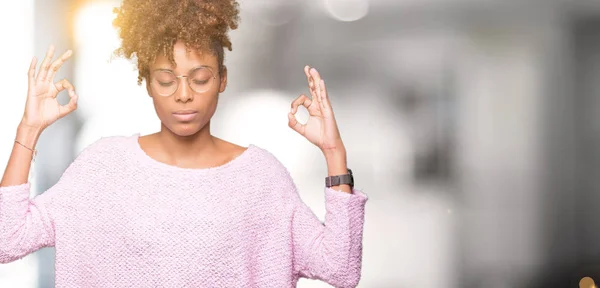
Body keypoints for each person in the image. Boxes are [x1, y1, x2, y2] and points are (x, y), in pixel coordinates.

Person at [0, 0, 368, 287]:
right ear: (147, 83)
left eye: (200, 78)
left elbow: (340, 269)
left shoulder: (261, 179)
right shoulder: (103, 167)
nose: (184, 95)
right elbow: (7, 238)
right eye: (166, 80)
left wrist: (334, 154)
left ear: (222, 79)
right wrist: (28, 130)